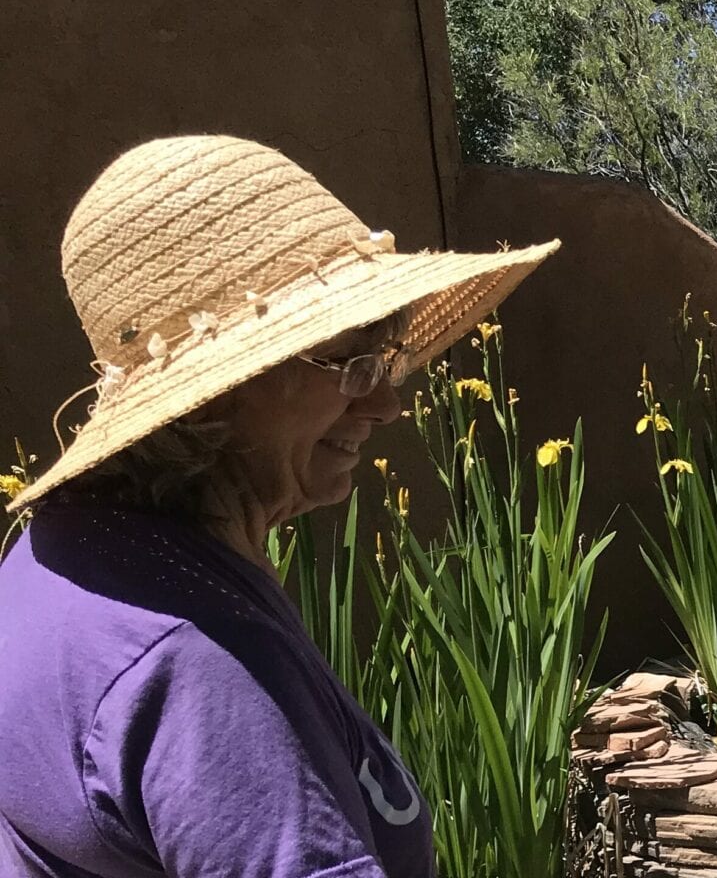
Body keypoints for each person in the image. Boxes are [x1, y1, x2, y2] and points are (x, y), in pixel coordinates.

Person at [0, 135, 559, 878]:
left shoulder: (63, 559)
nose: (389, 403)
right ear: (216, 398)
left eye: (385, 357)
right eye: (352, 362)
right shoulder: (194, 659)